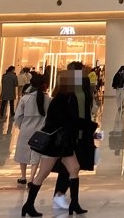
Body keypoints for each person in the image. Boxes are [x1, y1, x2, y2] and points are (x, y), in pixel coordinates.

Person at [20, 70, 90, 217]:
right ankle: (28, 205)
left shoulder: (62, 98)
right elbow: (65, 120)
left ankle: (74, 203)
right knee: (42, 174)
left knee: (74, 168)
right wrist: (87, 126)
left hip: (63, 143)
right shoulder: (63, 99)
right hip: (55, 144)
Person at [14, 73, 50, 186]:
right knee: (36, 154)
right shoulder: (47, 99)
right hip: (40, 130)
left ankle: (23, 176)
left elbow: (18, 116)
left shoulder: (25, 98)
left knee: (23, 152)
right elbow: (48, 116)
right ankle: (32, 178)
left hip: (25, 129)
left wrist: (21, 126)